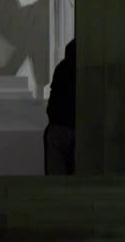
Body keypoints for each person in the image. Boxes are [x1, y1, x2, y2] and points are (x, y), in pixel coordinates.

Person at [45, 38, 75, 175]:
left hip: (58, 125)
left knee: (56, 172)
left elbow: (55, 97)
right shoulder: (83, 69)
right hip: (72, 125)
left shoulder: (61, 68)